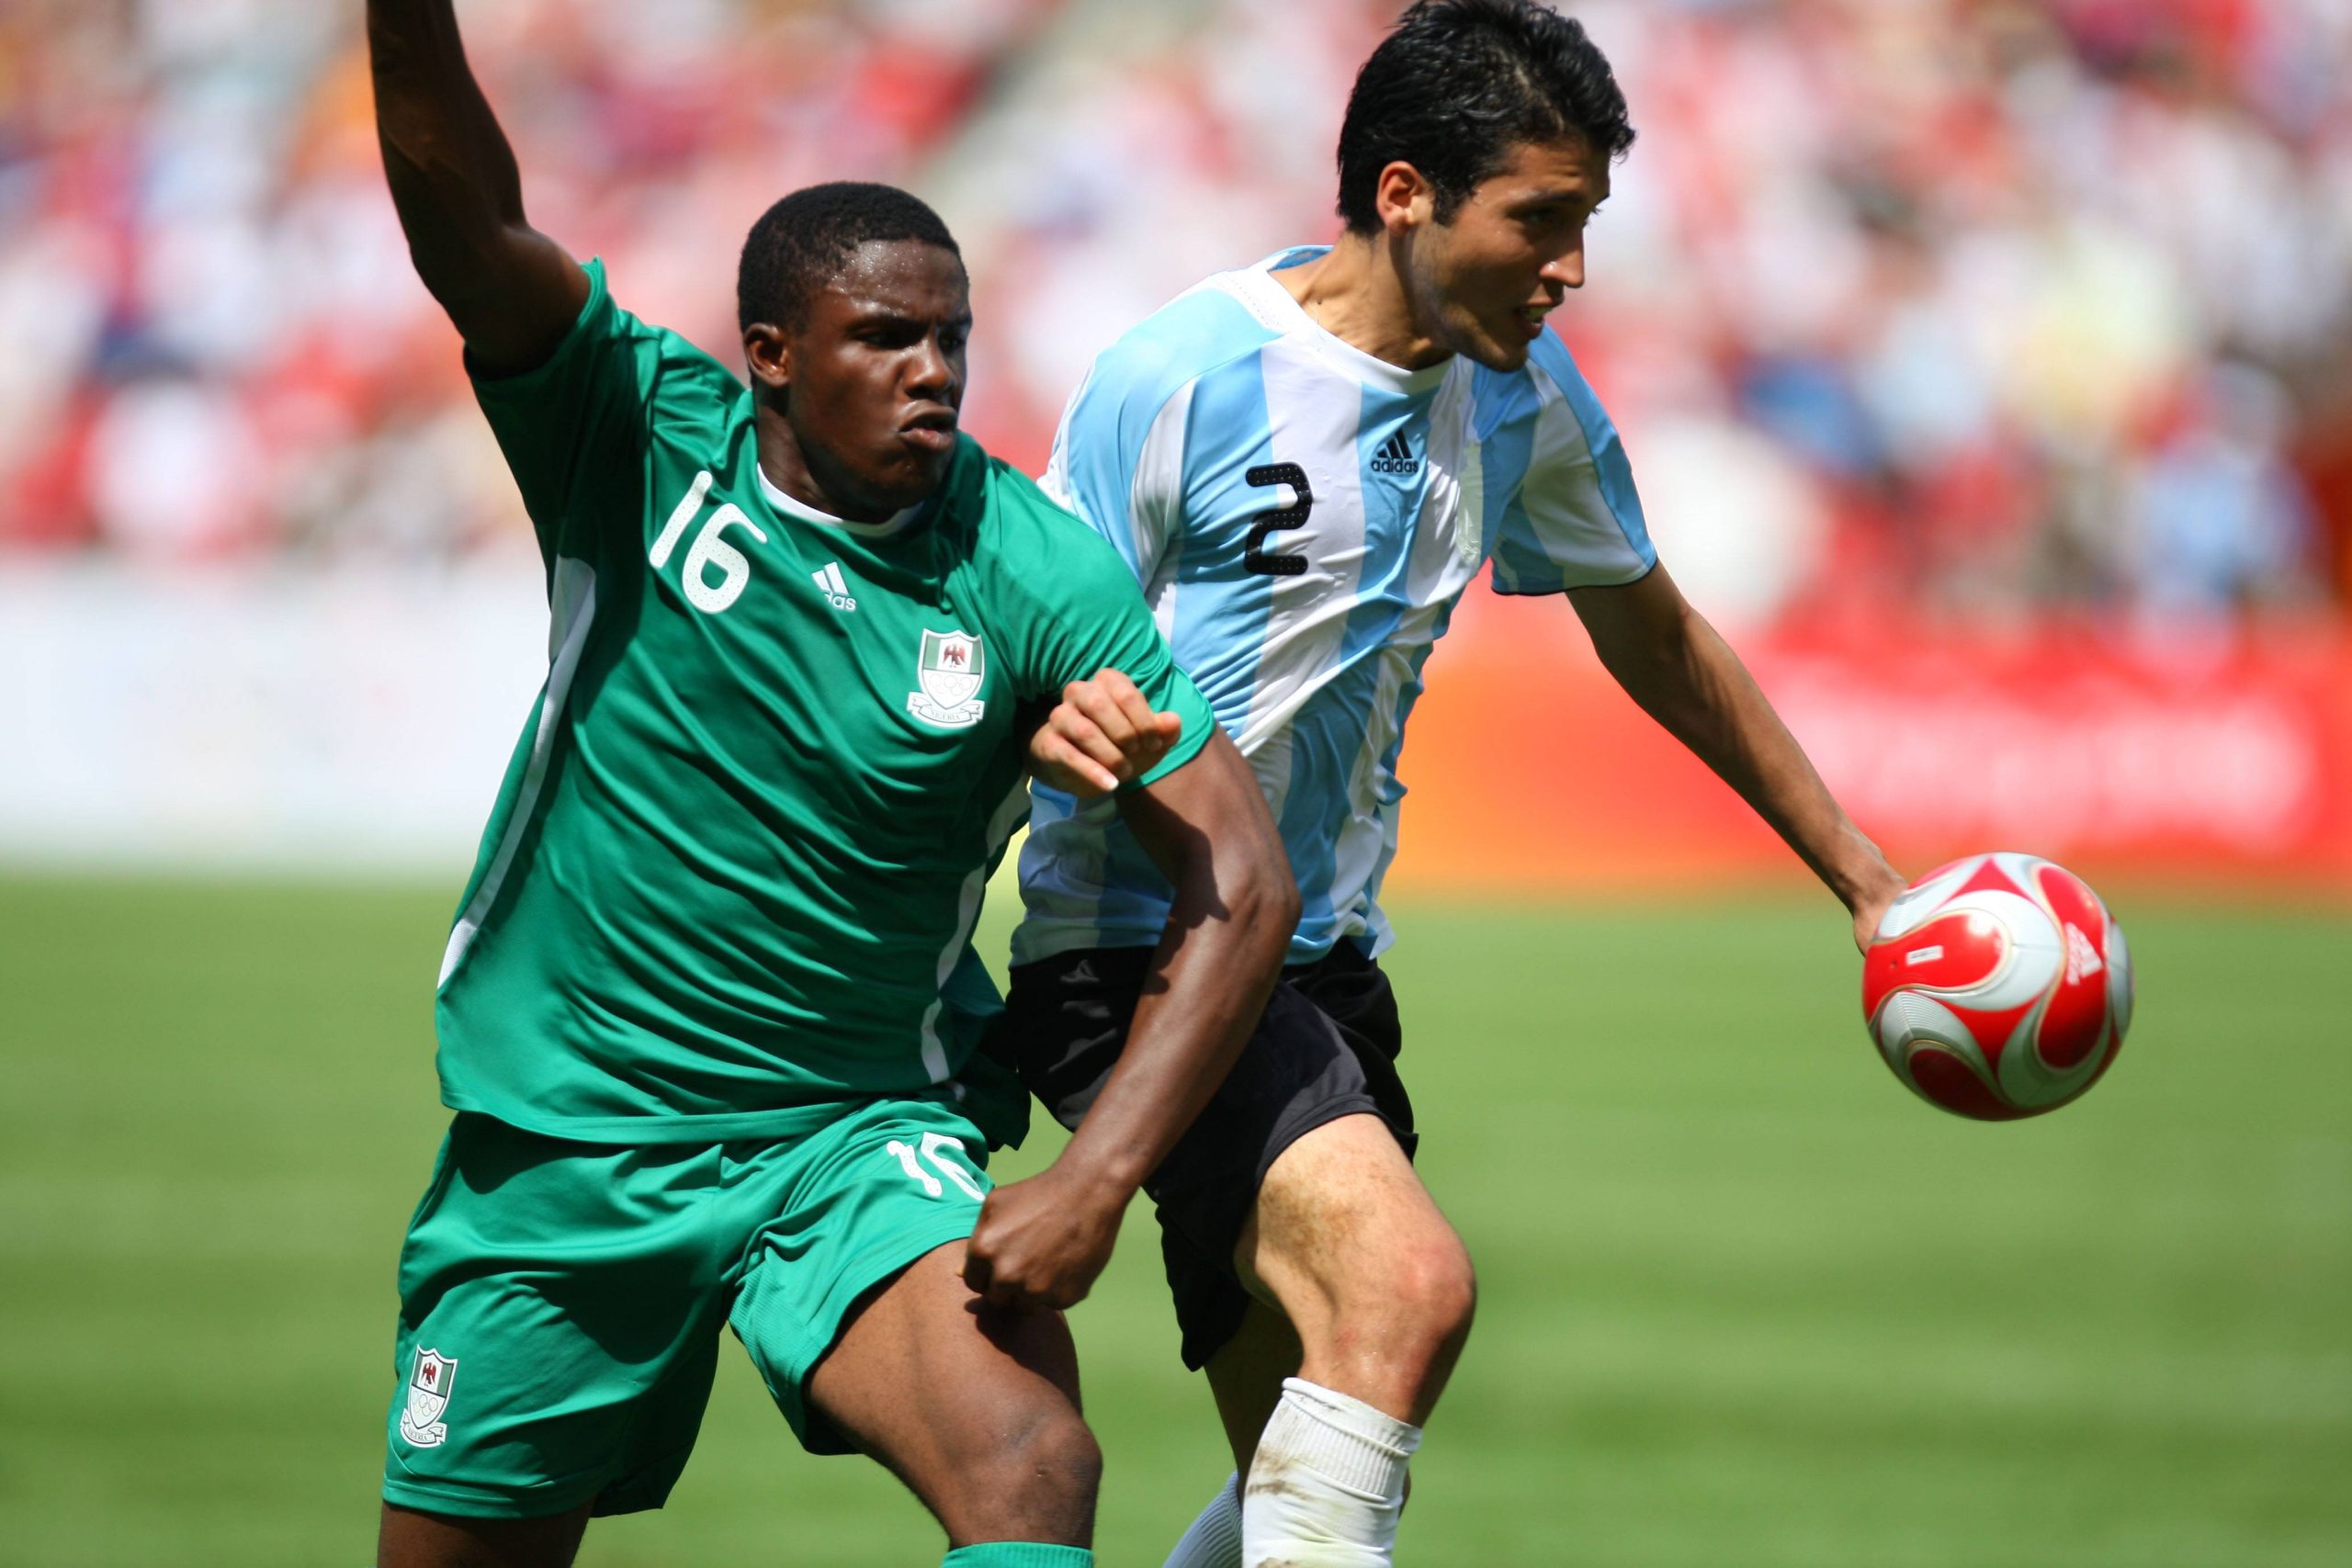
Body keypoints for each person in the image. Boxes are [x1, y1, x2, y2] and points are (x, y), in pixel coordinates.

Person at [365, 4, 1299, 1566]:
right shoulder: (635, 435)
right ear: (775, 357)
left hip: (851, 1136)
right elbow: (468, 223)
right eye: (886, 339)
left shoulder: (1026, 565)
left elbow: (1243, 877)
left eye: (953, 338)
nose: (934, 373)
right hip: (571, 1133)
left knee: (1028, 1461)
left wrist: (1092, 1178)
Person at [996, 4, 1909, 1564]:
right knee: (1407, 1289)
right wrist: (1031, 735)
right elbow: (1017, 633)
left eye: (1586, 227)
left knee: (1294, 1469)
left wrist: (1871, 884)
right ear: (1406, 193)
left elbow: (1662, 636)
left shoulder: (1520, 400)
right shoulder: (1182, 374)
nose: (1569, 269)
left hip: (1323, 969)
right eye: (1540, 221)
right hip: (1147, 952)